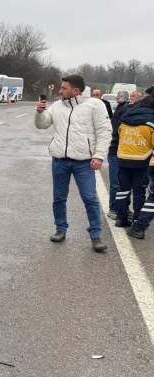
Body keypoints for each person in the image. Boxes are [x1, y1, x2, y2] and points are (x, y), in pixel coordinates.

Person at [35, 75, 112, 252]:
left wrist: (99, 155)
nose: (60, 91)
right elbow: (42, 125)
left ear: (76, 91)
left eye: (63, 88)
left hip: (84, 162)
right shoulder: (58, 106)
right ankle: (60, 229)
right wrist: (39, 113)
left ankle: (95, 235)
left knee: (90, 198)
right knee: (59, 198)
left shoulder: (94, 105)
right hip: (60, 161)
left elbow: (104, 131)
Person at [115, 95, 154, 239]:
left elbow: (119, 134)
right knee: (139, 191)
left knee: (123, 190)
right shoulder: (151, 121)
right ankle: (137, 220)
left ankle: (121, 218)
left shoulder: (126, 117)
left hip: (123, 158)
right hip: (142, 160)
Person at [107, 90, 130, 219]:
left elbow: (115, 131)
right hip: (118, 149)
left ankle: (118, 209)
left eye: (118, 95)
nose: (116, 97)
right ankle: (118, 208)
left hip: (118, 149)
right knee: (120, 183)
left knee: (118, 183)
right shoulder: (122, 109)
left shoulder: (122, 109)